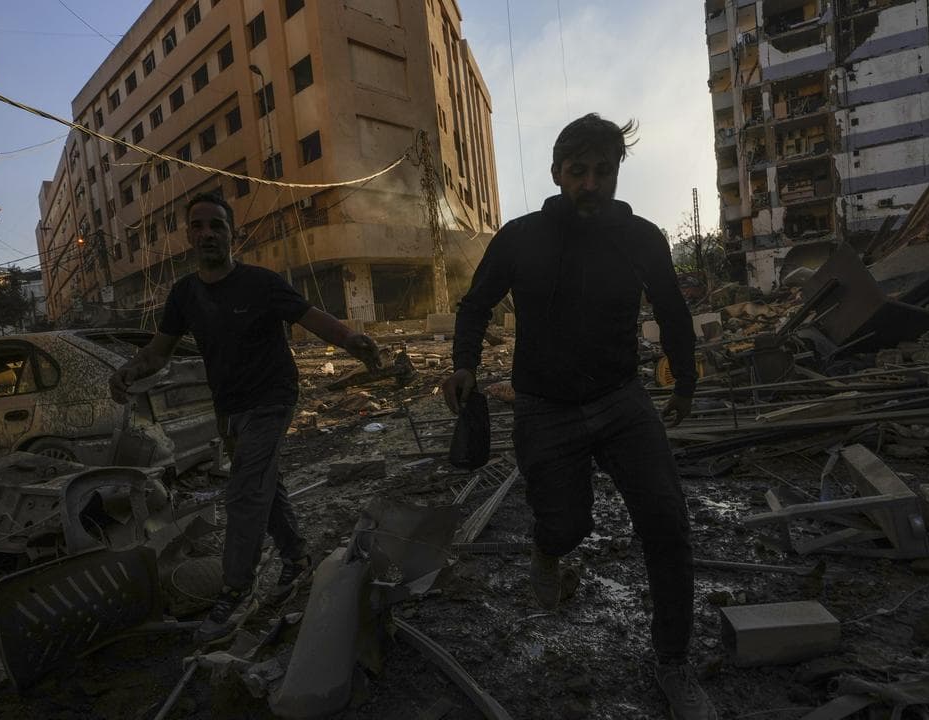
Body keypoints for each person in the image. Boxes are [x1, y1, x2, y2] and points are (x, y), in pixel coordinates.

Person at [441, 114, 715, 719]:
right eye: (578, 171)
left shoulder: (641, 237)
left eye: (603, 171)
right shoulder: (520, 238)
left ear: (617, 173)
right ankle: (548, 550)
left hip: (622, 400)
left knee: (667, 524)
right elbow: (475, 304)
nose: (591, 183)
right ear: (556, 173)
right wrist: (464, 365)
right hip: (544, 409)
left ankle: (673, 662)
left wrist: (686, 381)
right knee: (567, 527)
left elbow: (672, 310)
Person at [109, 190, 382, 644]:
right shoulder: (185, 294)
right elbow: (158, 353)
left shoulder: (261, 283)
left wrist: (352, 340)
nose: (207, 234)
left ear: (231, 234)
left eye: (216, 225)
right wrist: (130, 370)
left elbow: (310, 316)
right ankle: (296, 558)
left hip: (273, 398)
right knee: (263, 486)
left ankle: (237, 589)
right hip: (230, 409)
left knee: (243, 493)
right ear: (189, 236)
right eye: (198, 226)